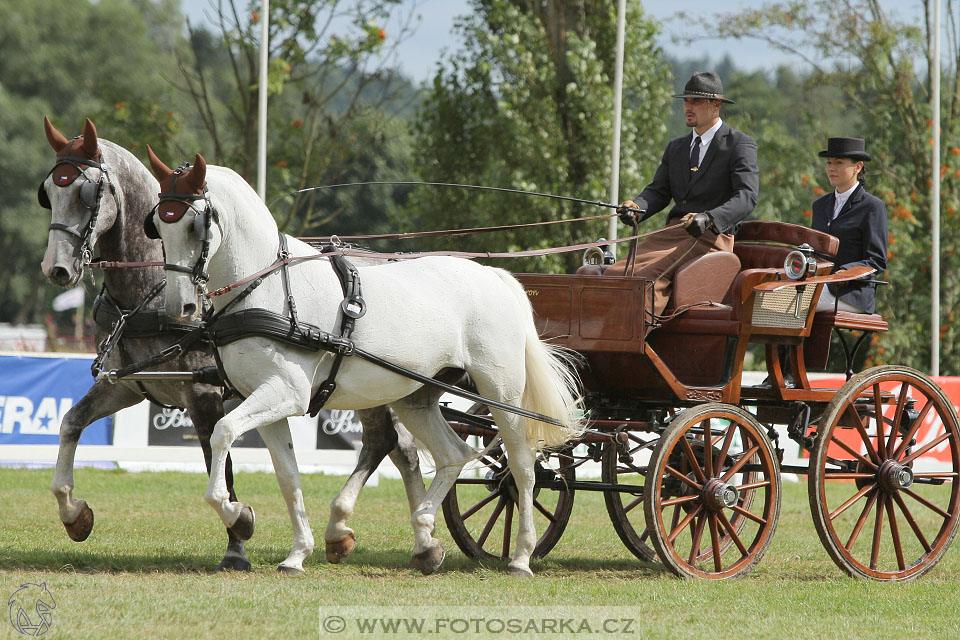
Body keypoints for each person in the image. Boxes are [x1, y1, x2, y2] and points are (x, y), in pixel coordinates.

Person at [608, 71, 759, 316]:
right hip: (673, 233)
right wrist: (636, 207)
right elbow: (658, 191)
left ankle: (637, 342)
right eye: (686, 101)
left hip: (711, 236)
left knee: (644, 277)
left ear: (716, 105)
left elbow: (747, 196)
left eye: (696, 102)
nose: (688, 107)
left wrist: (710, 218)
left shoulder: (739, 145)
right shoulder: (676, 148)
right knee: (615, 273)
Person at [811, 137, 887, 314]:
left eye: (838, 162)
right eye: (829, 162)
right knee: (775, 297)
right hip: (818, 285)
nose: (831, 167)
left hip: (852, 294)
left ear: (858, 167)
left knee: (796, 303)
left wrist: (845, 272)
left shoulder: (872, 207)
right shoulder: (820, 206)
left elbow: (877, 260)